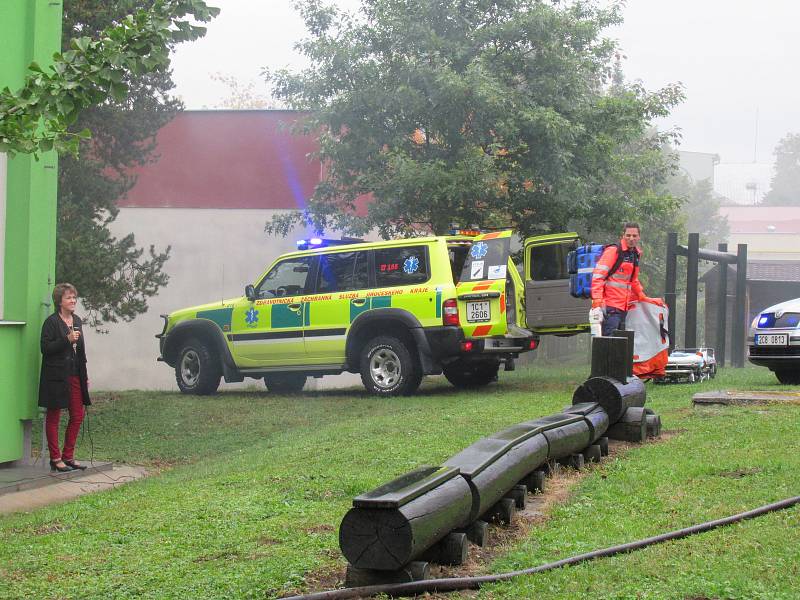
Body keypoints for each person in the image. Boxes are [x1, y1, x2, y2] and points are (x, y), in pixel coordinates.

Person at [39, 283, 91, 472]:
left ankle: (68, 456)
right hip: (56, 375)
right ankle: (55, 458)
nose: (73, 301)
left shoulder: (77, 320)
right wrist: (66, 340)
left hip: (75, 373)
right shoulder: (52, 322)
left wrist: (85, 376)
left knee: (77, 414)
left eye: (74, 297)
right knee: (54, 415)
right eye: (69, 297)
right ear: (59, 301)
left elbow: (81, 350)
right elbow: (45, 348)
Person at [590, 222, 663, 336]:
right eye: (628, 235)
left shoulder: (635, 254)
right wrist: (598, 301)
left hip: (623, 307)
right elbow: (598, 277)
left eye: (634, 236)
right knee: (609, 342)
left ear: (639, 237)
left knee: (619, 344)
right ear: (623, 235)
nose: (631, 238)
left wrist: (641, 295)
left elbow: (632, 280)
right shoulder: (614, 251)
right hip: (610, 307)